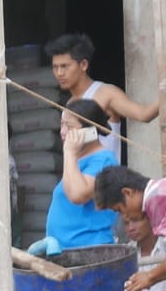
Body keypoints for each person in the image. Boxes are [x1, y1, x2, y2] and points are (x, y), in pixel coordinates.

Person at [44, 32, 166, 160]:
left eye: (64, 66)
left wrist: (165, 95)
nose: (59, 73)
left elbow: (143, 114)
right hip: (81, 181)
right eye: (55, 67)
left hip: (106, 180)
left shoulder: (106, 93)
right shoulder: (69, 105)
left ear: (83, 65)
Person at [35, 97, 120, 255]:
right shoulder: (76, 160)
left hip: (90, 251)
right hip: (68, 253)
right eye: (62, 125)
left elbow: (78, 195)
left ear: (90, 131)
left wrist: (69, 152)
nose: (62, 132)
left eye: (69, 126)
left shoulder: (104, 159)